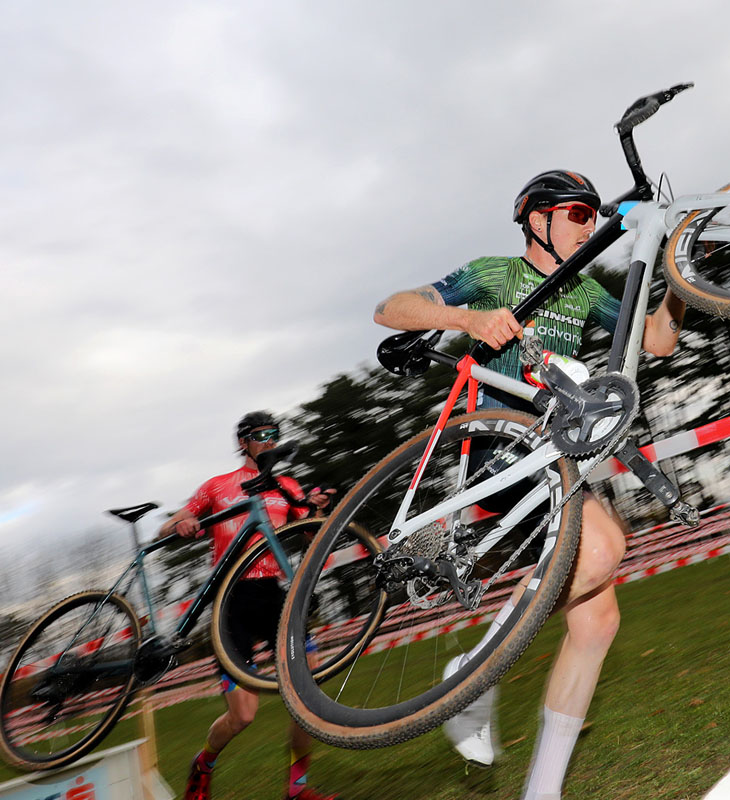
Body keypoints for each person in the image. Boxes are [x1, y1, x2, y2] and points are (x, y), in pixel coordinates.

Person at [374, 170, 685, 799]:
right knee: (600, 551)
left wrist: (679, 272)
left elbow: (658, 341)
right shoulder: (496, 272)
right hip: (504, 449)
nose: (588, 224)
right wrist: (467, 318)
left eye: (594, 215)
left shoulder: (585, 288)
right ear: (537, 218)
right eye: (576, 213)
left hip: (560, 455)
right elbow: (389, 309)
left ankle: (542, 791)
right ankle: (475, 672)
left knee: (596, 624)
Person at [160, 411, 338, 800]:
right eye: (261, 435)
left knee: (308, 697)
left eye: (275, 434)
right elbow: (171, 523)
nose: (269, 441)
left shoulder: (287, 484)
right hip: (231, 601)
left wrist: (318, 509)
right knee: (242, 716)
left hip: (274, 595)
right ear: (243, 442)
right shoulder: (218, 486)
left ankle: (297, 788)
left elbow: (312, 535)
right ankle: (203, 762)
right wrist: (182, 523)